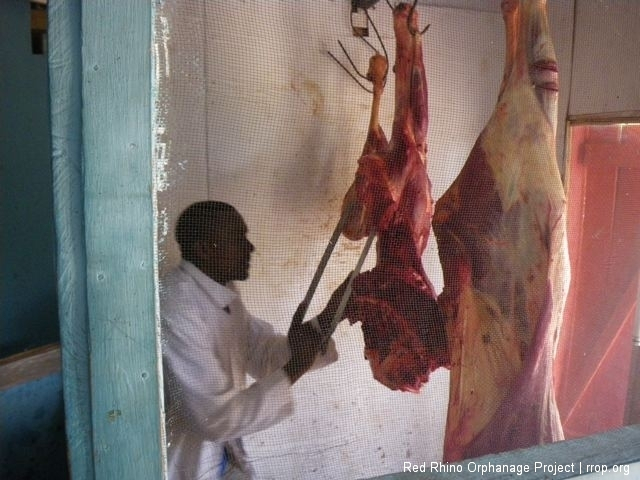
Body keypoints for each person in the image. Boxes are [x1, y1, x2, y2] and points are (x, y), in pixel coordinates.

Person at [161, 201, 345, 479]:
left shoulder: (221, 290)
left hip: (222, 458)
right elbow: (215, 418)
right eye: (238, 239)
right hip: (184, 465)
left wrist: (331, 314)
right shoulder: (177, 305)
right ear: (204, 250)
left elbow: (261, 354)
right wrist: (296, 366)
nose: (250, 248)